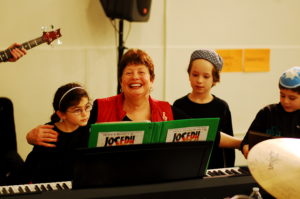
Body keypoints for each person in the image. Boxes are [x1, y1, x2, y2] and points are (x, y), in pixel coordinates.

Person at [26, 49, 239, 166]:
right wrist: (32, 136)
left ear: (152, 80)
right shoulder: (100, 107)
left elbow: (202, 132)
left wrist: (241, 143)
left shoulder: (167, 110)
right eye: (129, 72)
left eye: (141, 72)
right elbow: (69, 129)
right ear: (121, 80)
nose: (135, 77)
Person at [173, 49, 240, 169]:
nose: (199, 80)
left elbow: (229, 147)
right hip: (185, 168)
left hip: (214, 170)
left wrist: (229, 170)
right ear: (189, 74)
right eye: (195, 74)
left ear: (214, 79)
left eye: (206, 76)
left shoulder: (221, 107)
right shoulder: (179, 105)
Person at [24, 82, 91, 183]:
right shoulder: (47, 133)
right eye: (77, 110)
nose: (85, 114)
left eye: (87, 107)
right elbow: (31, 170)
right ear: (61, 114)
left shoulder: (89, 130)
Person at [241, 66, 300, 158]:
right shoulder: (267, 113)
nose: (286, 101)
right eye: (282, 95)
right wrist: (246, 148)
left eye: (292, 98)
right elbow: (247, 141)